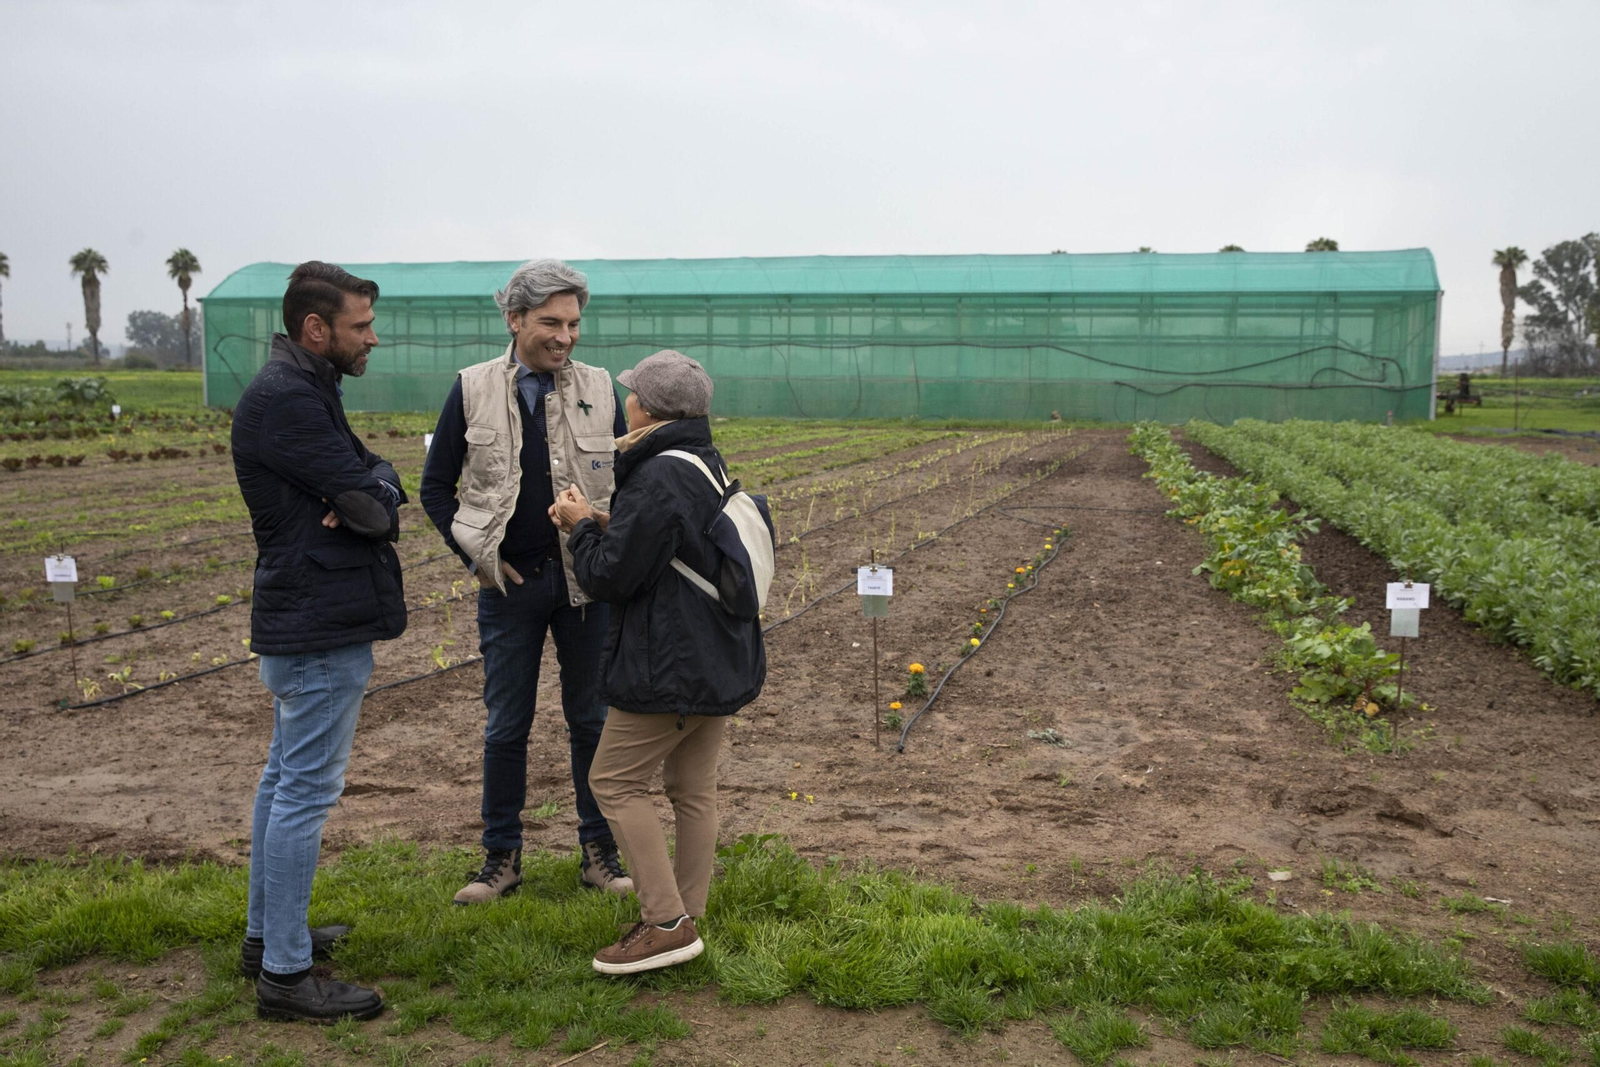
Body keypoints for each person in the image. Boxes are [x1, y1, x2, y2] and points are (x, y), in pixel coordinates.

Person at [420, 259, 633, 906]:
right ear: (514, 320)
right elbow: (435, 488)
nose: (565, 335)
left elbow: (631, 487)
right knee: (506, 726)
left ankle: (600, 854)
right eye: (550, 322)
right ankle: (500, 860)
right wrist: (478, 559)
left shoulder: (600, 386)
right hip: (509, 589)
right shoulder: (473, 388)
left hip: (584, 587)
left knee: (591, 720)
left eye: (573, 323)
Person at [551, 350, 767, 976]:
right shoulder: (701, 461)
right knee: (693, 789)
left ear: (645, 407)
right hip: (717, 655)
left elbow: (609, 576)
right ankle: (686, 912)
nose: (626, 401)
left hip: (671, 663)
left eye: (631, 394)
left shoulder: (656, 475)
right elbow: (669, 540)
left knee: (612, 781)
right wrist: (604, 518)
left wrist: (578, 529)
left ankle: (664, 923)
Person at [230, 261, 406, 1022]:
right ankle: (287, 975)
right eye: (360, 326)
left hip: (307, 615)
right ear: (316, 328)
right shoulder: (289, 402)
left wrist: (377, 486)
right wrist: (373, 494)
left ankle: (268, 937)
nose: (373, 337)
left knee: (282, 779)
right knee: (304, 790)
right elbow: (373, 509)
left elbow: (375, 480)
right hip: (318, 623)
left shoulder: (305, 389)